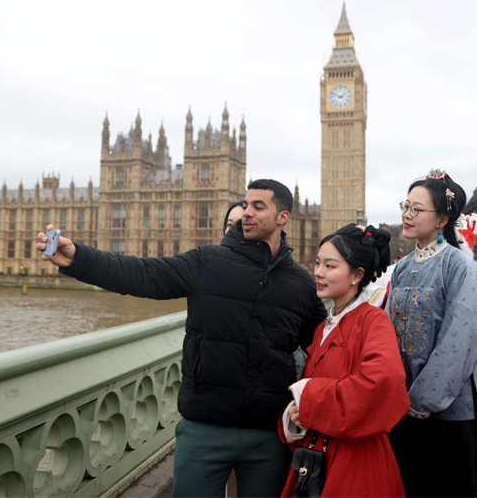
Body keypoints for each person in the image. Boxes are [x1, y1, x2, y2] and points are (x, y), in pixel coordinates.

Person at [37, 179, 327, 497]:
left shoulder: (300, 285)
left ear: (283, 217)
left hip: (269, 435)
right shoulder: (206, 262)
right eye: (245, 205)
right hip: (204, 429)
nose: (247, 212)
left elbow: (326, 349)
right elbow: (143, 274)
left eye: (258, 207)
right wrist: (78, 259)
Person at [385, 169, 477, 497]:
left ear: (442, 219)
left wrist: (424, 399)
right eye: (406, 206)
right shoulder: (404, 266)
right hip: (405, 404)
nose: (407, 214)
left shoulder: (460, 266)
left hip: (451, 409)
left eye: (417, 209)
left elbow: (460, 339)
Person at [279, 224, 409, 497]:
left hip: (356, 463)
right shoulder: (323, 328)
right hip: (317, 459)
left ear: (357, 275)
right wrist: (296, 415)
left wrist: (309, 399)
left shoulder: (373, 321)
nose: (318, 272)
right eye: (317, 263)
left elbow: (383, 383)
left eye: (330, 266)